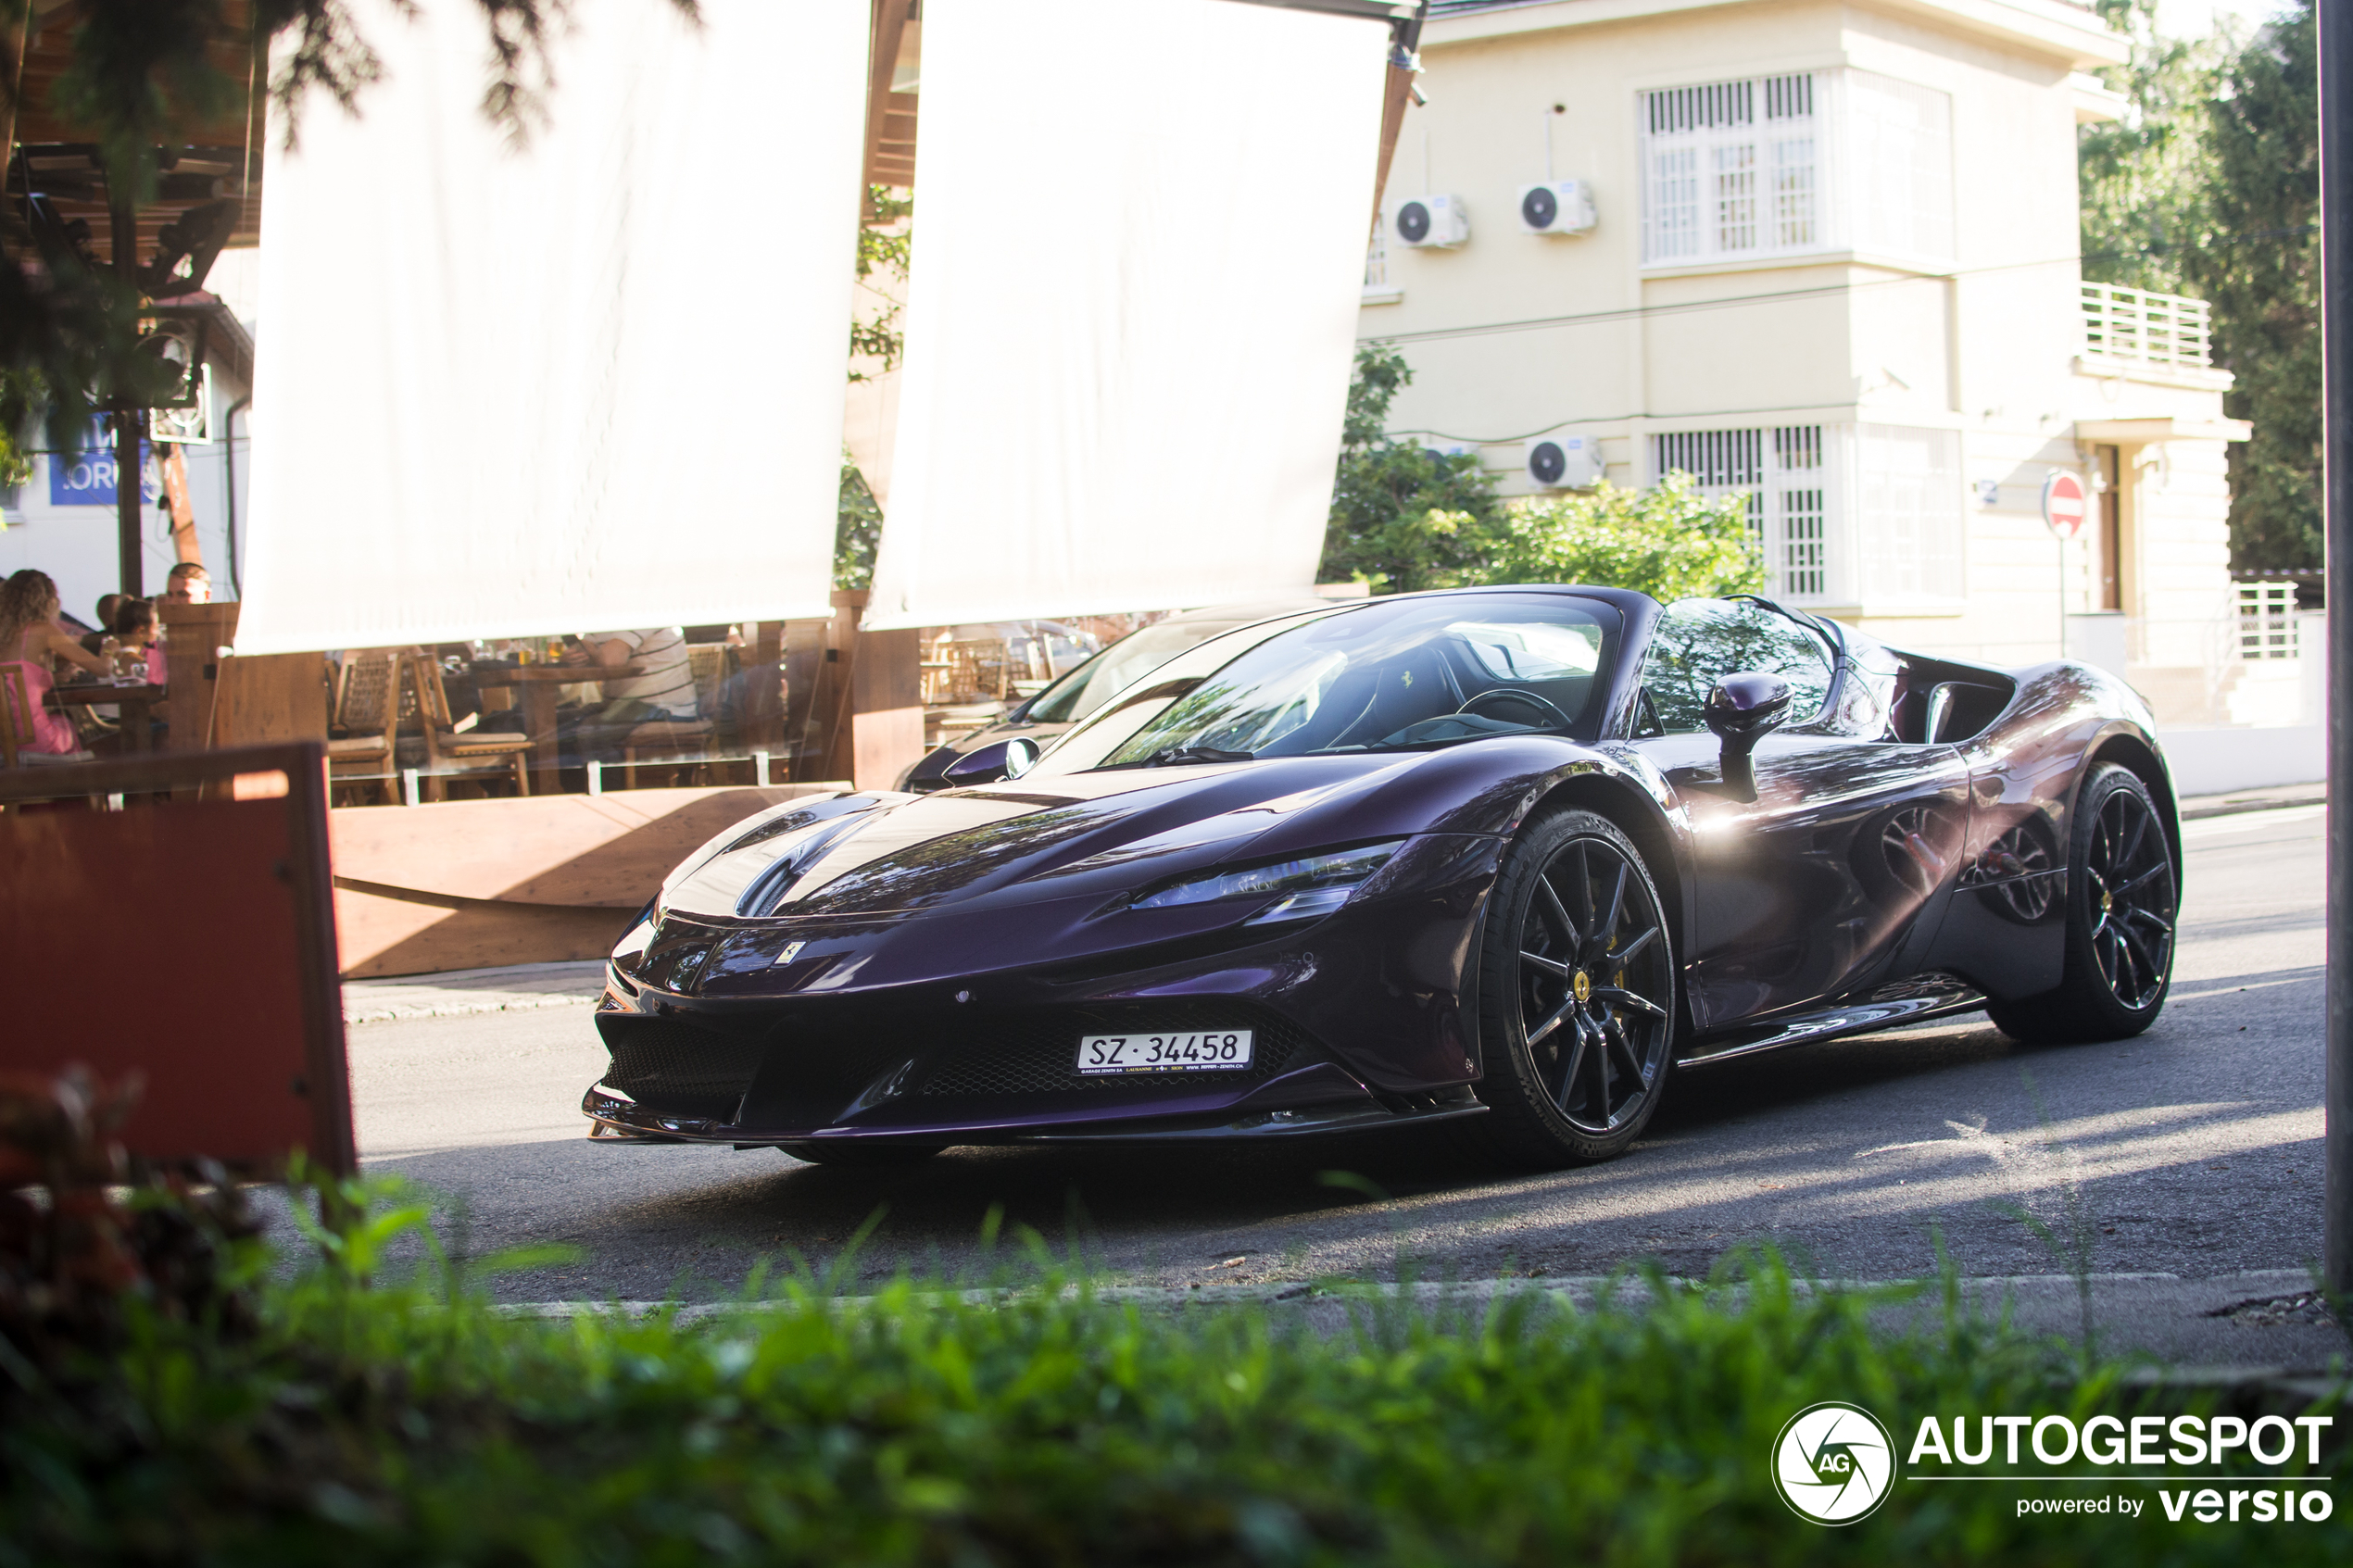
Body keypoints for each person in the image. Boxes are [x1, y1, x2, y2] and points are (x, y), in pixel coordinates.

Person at [0, 569, 105, 758]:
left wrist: (54, 678)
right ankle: (85, 783)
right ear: (47, 600)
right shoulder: (43, 631)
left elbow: (15, 684)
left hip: (4, 746)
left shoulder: (4, 637)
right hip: (36, 741)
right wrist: (111, 648)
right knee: (68, 724)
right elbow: (102, 669)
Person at [559, 627, 699, 762]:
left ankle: (611, 785)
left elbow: (610, 660)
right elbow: (584, 651)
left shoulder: (641, 612)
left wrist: (591, 652)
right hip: (621, 705)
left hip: (663, 709)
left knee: (590, 730)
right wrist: (572, 657)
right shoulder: (605, 617)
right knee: (560, 722)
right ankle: (568, 784)